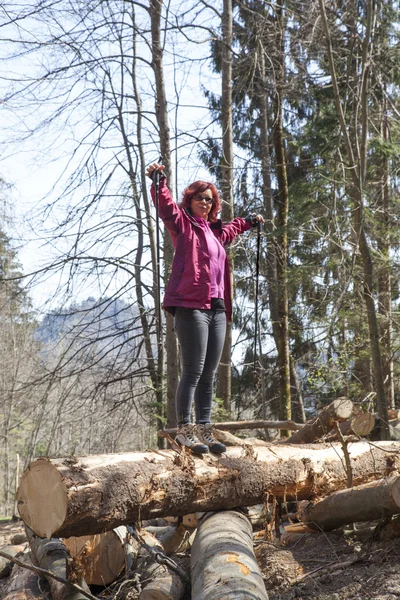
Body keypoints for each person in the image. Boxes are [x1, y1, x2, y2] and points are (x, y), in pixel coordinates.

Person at [146, 163, 264, 454]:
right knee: (193, 371)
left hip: (218, 307)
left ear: (214, 205)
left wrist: (248, 221)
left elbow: (232, 228)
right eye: (200, 197)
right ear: (191, 200)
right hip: (190, 305)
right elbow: (166, 208)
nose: (205, 202)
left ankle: (206, 430)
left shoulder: (215, 231)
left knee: (210, 372)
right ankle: (184, 431)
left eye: (210, 199)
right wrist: (158, 181)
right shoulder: (182, 224)